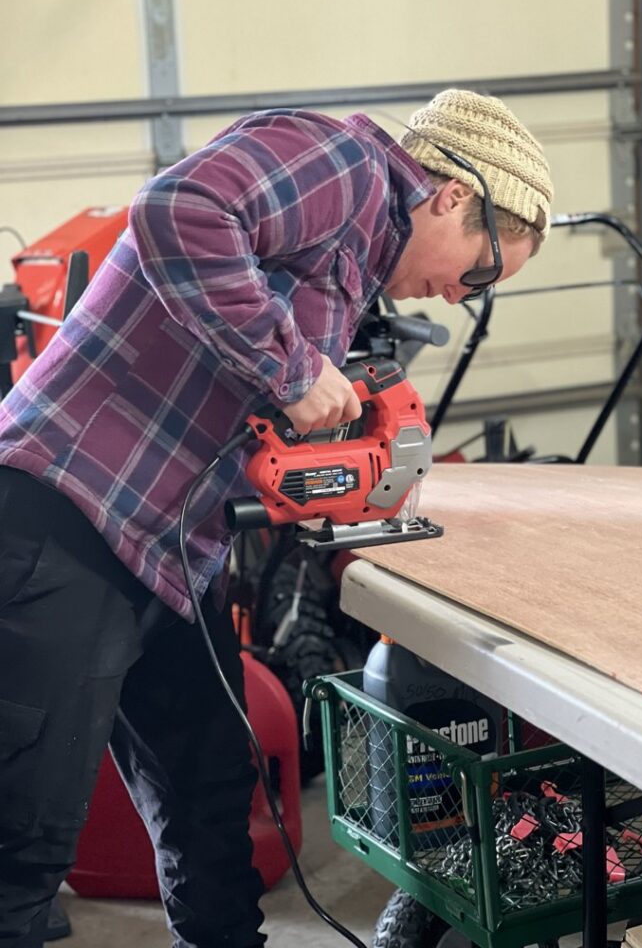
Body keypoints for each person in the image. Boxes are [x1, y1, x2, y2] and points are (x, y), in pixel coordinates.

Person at [0, 88, 552, 947]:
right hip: (64, 517)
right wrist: (292, 368)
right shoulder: (342, 165)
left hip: (168, 549)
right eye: (479, 270)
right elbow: (176, 209)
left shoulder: (362, 254)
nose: (457, 294)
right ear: (451, 195)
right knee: (22, 840)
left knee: (211, 795)